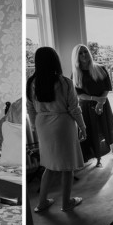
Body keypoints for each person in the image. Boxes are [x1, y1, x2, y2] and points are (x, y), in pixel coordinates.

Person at [27, 47, 86, 212]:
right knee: (67, 166)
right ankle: (66, 203)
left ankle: (41, 203)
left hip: (42, 124)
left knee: (49, 165)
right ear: (55, 61)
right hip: (62, 124)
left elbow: (30, 108)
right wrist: (82, 125)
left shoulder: (31, 83)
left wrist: (35, 126)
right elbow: (74, 108)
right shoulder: (64, 82)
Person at [71, 44, 113, 168]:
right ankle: (98, 158)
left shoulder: (100, 68)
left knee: (107, 127)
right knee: (93, 131)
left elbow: (107, 87)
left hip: (103, 103)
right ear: (76, 56)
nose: (84, 55)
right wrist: (95, 99)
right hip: (86, 107)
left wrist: (100, 102)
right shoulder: (75, 74)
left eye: (85, 52)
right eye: (80, 53)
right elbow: (79, 95)